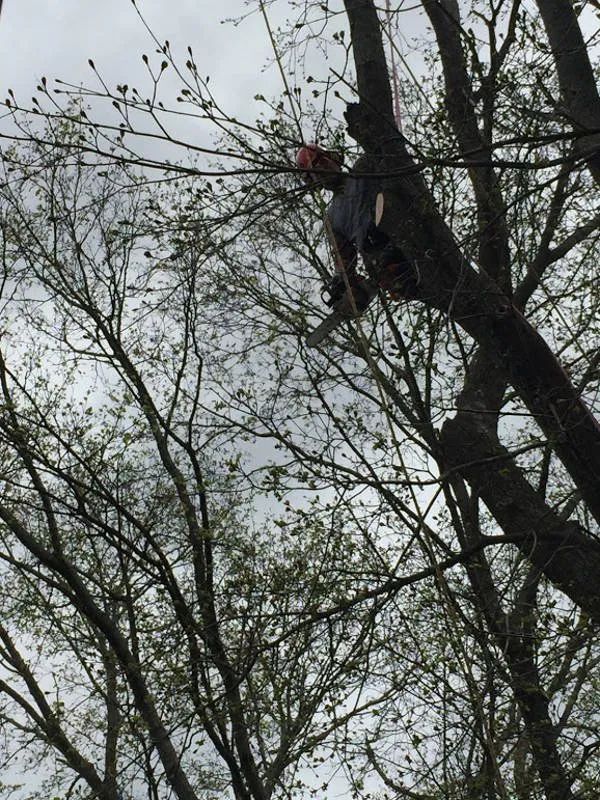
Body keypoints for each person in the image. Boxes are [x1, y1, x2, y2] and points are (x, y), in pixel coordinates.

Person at [296, 143, 412, 316]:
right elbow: (344, 260)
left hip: (405, 232)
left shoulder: (363, 168)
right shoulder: (332, 217)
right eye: (318, 171)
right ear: (314, 181)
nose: (324, 169)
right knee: (387, 274)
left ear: (334, 158)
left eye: (324, 162)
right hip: (382, 260)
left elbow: (393, 163)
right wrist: (347, 286)